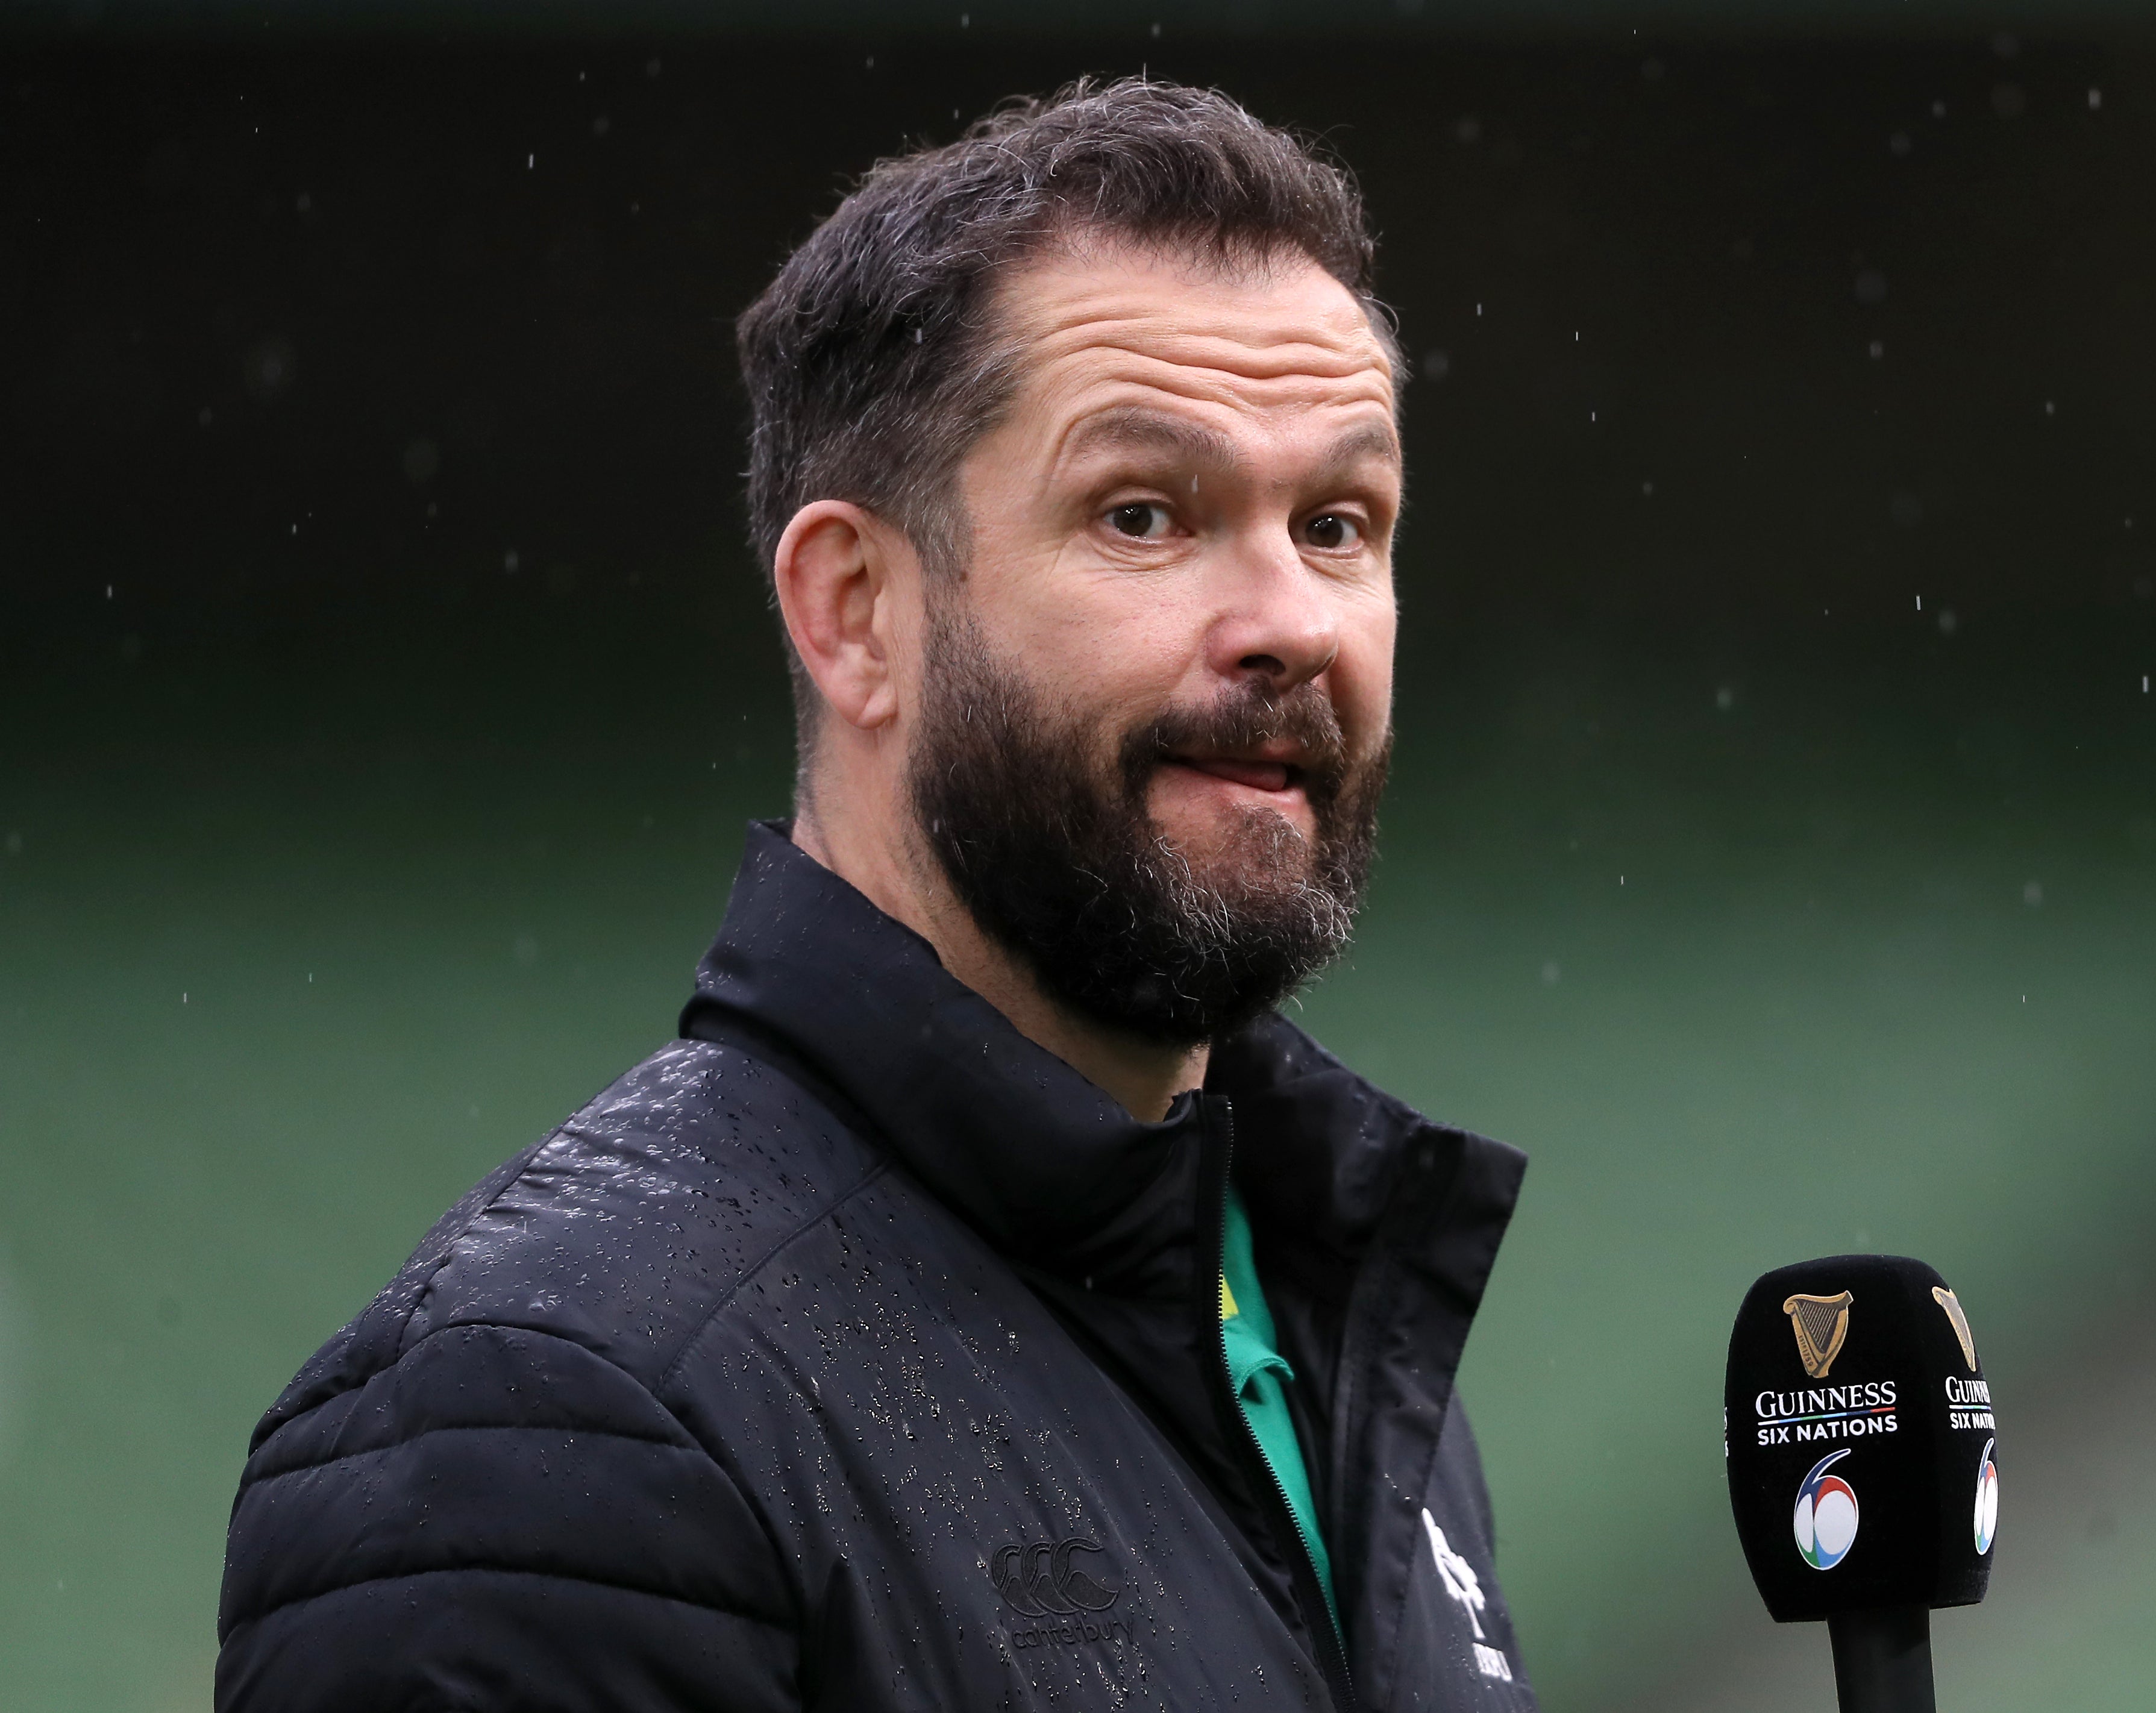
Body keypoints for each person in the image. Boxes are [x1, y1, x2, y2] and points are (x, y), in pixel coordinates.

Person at [215, 79, 1534, 1713]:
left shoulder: (1325, 1324)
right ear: (853, 612)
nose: (1290, 621)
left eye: (1336, 522)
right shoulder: (541, 1430)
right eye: (1145, 513)